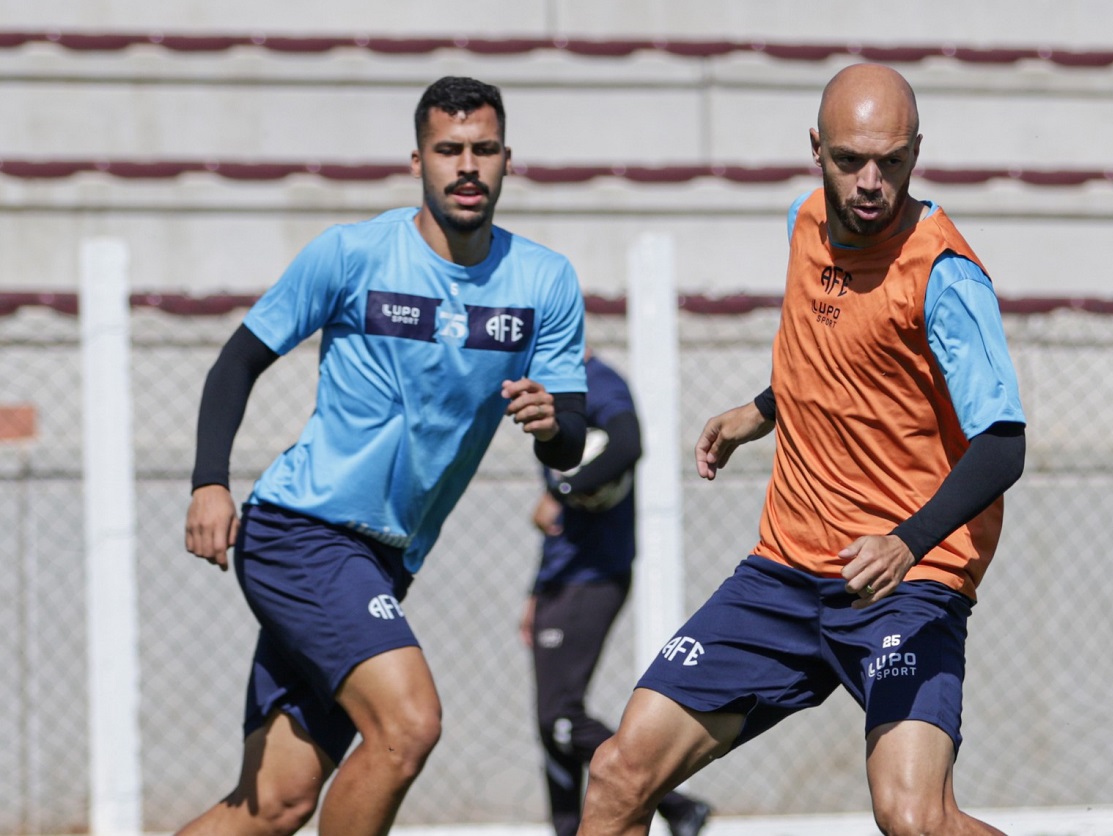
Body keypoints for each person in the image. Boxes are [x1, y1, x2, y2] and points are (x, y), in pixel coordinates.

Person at [578, 63, 1027, 836]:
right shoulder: (804, 221)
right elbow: (843, 356)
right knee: (619, 773)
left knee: (915, 818)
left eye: (891, 161)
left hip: (906, 581)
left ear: (917, 153)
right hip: (785, 573)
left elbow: (1003, 446)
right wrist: (760, 411)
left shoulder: (945, 275)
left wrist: (906, 542)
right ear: (815, 149)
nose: (870, 182)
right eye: (850, 160)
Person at [179, 76, 589, 836]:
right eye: (449, 150)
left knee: (274, 805)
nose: (468, 166)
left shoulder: (545, 282)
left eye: (484, 150)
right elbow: (234, 363)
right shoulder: (351, 254)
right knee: (408, 726)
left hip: (384, 559)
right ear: (419, 161)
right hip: (302, 534)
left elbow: (571, 434)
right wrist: (210, 484)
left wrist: (548, 426)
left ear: (507, 160)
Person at [520, 350, 711, 836]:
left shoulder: (598, 382)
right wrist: (536, 592)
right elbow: (560, 530)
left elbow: (627, 445)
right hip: (560, 580)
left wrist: (566, 490)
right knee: (552, 726)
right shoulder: (548, 387)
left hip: (595, 576)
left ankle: (672, 800)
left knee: (559, 717)